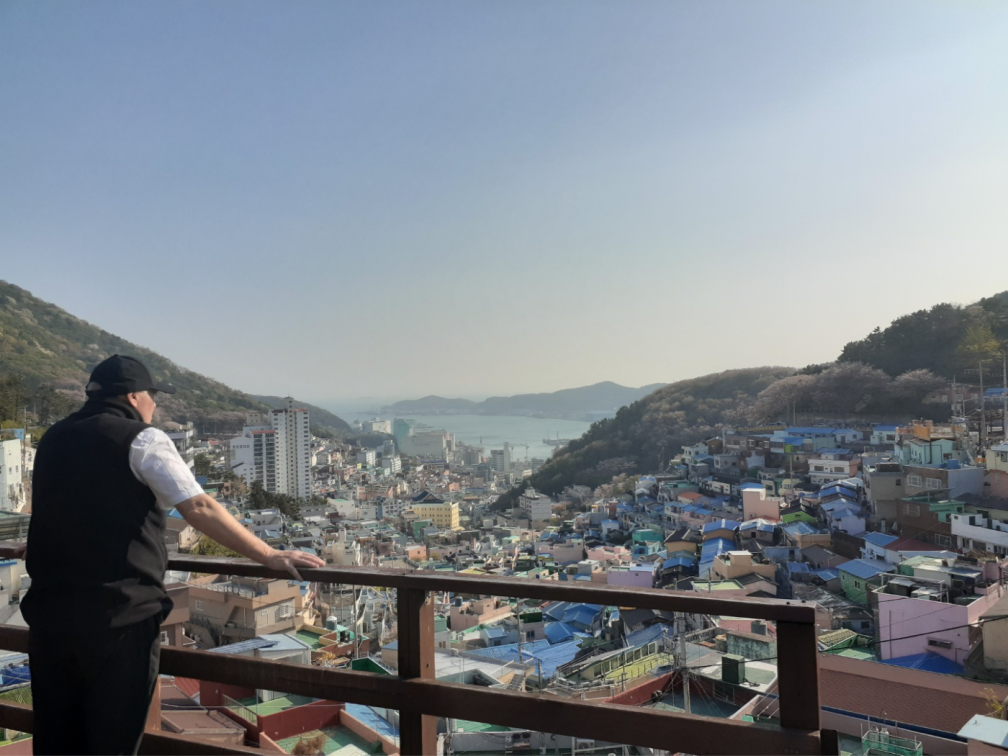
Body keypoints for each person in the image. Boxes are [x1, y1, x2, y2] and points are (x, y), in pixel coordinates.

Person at [21, 355, 325, 755]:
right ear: (134, 396)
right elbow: (197, 507)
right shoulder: (142, 439)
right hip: (119, 619)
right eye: (153, 397)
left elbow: (52, 510)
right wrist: (268, 553)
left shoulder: (53, 439)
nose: (155, 407)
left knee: (58, 737)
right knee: (113, 738)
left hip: (50, 617)